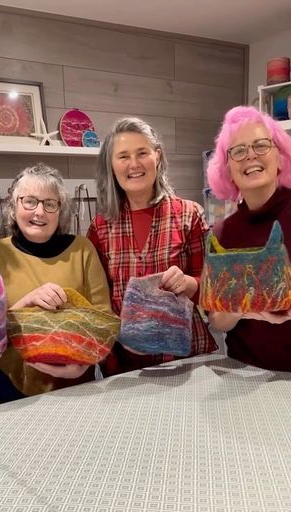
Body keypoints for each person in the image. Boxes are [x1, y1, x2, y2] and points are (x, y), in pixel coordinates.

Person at [87, 116, 217, 375]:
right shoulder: (100, 227)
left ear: (157, 156)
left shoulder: (189, 215)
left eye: (142, 153)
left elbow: (213, 289)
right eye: (123, 156)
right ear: (111, 166)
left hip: (184, 358)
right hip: (125, 363)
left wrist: (189, 284)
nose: (134, 164)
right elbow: (98, 302)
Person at [0, 163, 112, 404]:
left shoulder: (82, 249)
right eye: (29, 201)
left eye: (50, 204)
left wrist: (85, 363)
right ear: (13, 206)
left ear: (61, 211)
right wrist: (27, 301)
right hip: (11, 386)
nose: (39, 212)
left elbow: (102, 317)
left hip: (78, 383)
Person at [206, 105, 291, 371]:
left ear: (280, 157)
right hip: (242, 373)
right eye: (238, 151)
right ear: (227, 168)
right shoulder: (222, 233)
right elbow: (216, 321)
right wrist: (239, 305)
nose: (250, 155)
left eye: (261, 145)